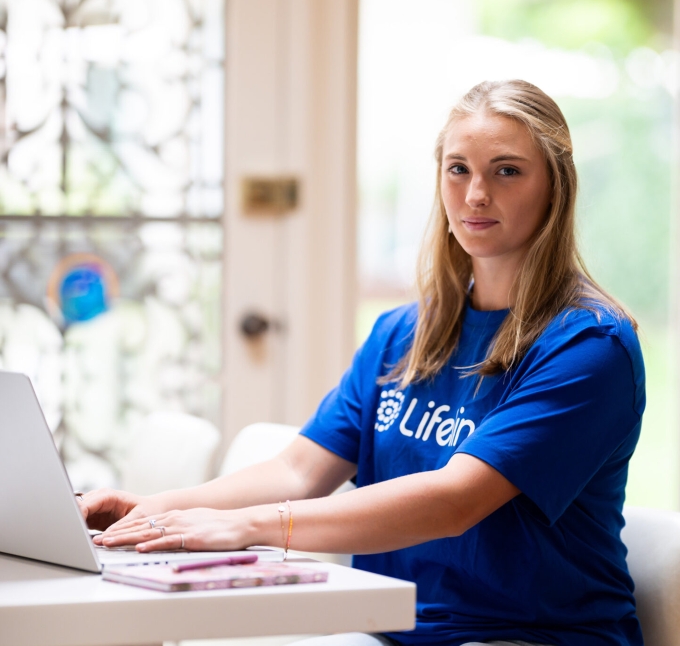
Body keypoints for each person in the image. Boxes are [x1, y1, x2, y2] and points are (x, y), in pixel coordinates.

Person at [80, 80, 645, 646]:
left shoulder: (590, 348)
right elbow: (299, 472)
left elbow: (455, 501)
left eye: (506, 171)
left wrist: (245, 527)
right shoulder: (402, 333)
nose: (475, 194)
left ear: (555, 188)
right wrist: (153, 509)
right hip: (393, 628)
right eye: (457, 169)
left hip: (528, 636)